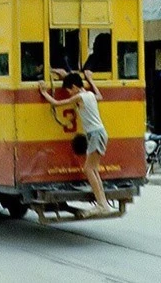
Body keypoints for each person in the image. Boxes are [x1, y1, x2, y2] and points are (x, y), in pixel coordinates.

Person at [39, 70, 114, 215]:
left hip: (95, 134)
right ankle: (103, 203)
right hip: (100, 133)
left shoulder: (79, 97)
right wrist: (90, 80)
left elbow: (57, 103)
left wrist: (44, 92)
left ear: (74, 87)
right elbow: (100, 96)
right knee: (93, 169)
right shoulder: (90, 95)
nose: (69, 93)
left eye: (69, 90)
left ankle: (102, 204)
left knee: (89, 169)